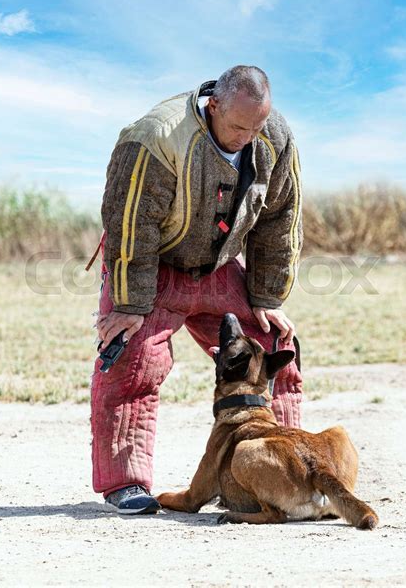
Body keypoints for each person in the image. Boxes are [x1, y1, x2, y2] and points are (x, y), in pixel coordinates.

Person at [90, 65, 303, 514]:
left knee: (272, 347)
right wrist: (129, 304)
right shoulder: (155, 136)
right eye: (238, 127)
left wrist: (267, 296)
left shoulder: (274, 138)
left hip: (218, 265)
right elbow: (132, 223)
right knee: (132, 358)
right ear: (214, 105)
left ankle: (279, 469)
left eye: (257, 127)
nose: (248, 137)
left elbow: (278, 219)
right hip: (155, 265)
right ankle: (126, 484)